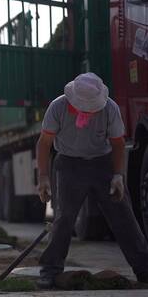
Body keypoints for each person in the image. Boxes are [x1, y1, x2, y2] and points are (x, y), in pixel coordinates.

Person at [36, 72, 148, 288]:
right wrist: (43, 177)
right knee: (63, 219)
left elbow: (117, 144)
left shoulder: (110, 109)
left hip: (102, 163)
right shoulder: (58, 107)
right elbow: (44, 142)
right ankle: (50, 271)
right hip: (69, 164)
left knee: (123, 217)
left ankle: (144, 268)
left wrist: (117, 176)